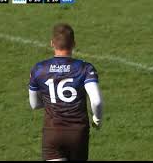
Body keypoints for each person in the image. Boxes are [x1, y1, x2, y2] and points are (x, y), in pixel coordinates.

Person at [28, 23, 103, 161]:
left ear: (52, 43)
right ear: (74, 44)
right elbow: (96, 101)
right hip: (78, 133)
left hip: (53, 132)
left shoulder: (39, 69)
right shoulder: (85, 68)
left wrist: (52, 99)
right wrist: (97, 119)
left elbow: (34, 104)